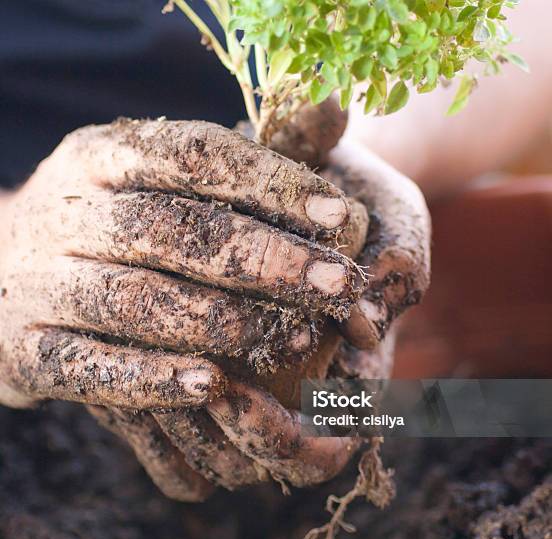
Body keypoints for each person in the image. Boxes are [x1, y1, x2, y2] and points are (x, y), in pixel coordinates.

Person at [0, 0, 546, 500]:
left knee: (508, 416)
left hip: (343, 254)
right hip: (43, 401)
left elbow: (527, 19)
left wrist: (361, 148)